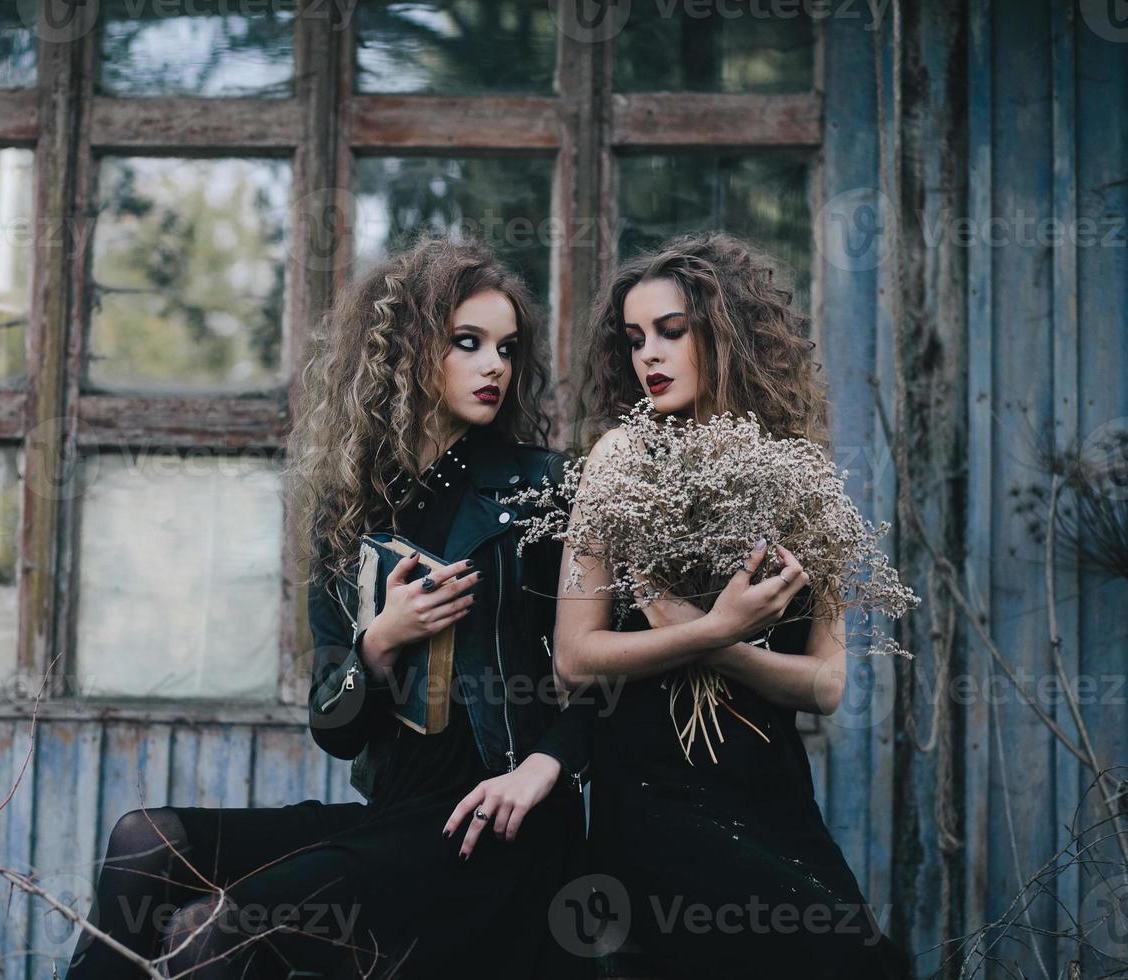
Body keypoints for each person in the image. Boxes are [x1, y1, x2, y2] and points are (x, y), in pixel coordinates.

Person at [63, 235, 591, 979]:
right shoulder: (349, 509)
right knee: (148, 841)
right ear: (406, 352)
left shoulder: (541, 492)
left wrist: (543, 766)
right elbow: (334, 730)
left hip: (489, 829)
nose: (494, 366)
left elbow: (614, 670)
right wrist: (378, 645)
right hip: (393, 819)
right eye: (467, 343)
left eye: (507, 348)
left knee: (224, 927)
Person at [555, 232, 911, 980]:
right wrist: (717, 627)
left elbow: (825, 685)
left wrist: (719, 638)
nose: (647, 355)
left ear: (727, 334)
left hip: (770, 785)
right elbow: (575, 660)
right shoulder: (620, 457)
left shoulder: (802, 475)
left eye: (671, 332)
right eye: (633, 339)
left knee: (862, 961)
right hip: (655, 783)